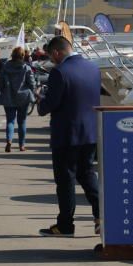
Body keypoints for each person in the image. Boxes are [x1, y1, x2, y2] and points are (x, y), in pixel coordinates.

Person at [36, 36, 101, 237]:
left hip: (66, 135)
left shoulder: (59, 72)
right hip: (89, 134)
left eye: (51, 55)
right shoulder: (93, 68)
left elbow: (51, 104)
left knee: (65, 181)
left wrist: (41, 99)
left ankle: (65, 225)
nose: (51, 59)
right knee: (88, 175)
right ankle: (102, 216)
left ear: (56, 52)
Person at [0, 46, 36, 152]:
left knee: (10, 121)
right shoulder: (26, 67)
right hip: (23, 97)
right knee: (22, 121)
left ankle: (9, 140)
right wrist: (33, 93)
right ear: (23, 55)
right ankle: (21, 145)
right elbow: (32, 83)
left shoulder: (5, 66)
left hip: (8, 96)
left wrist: (1, 90)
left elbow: (0, 82)